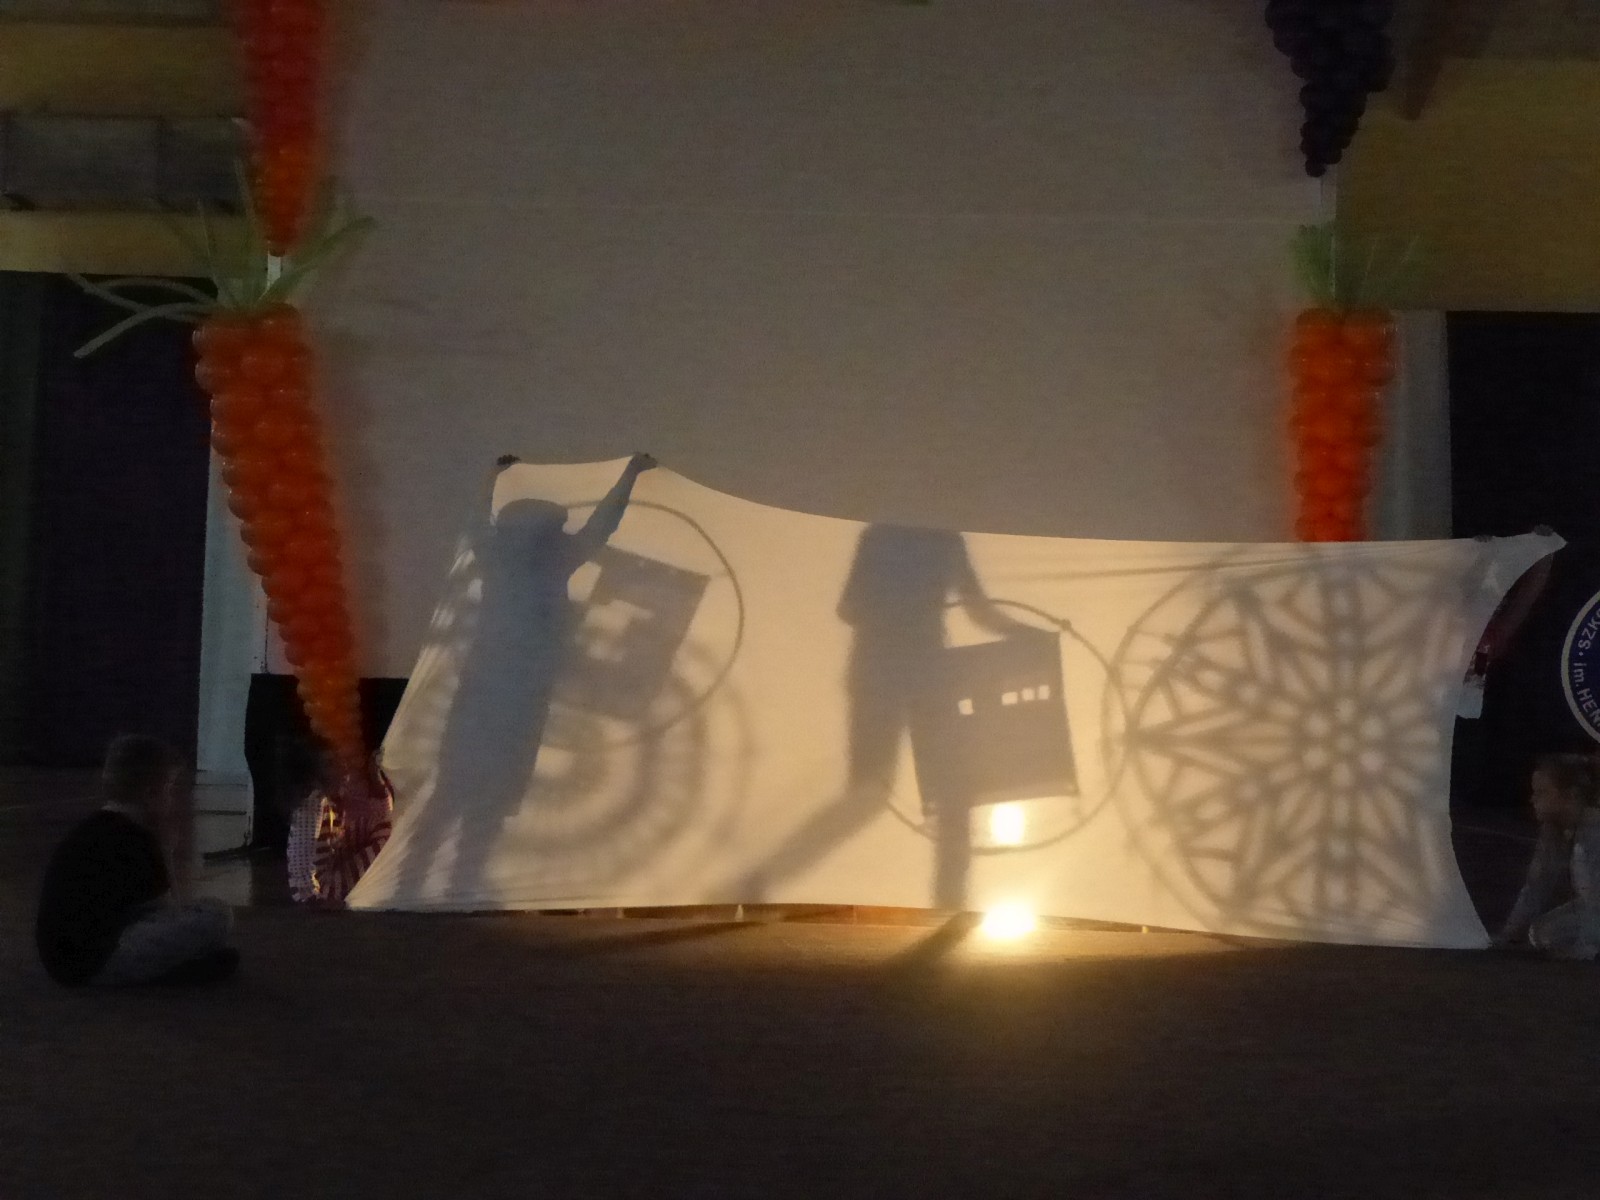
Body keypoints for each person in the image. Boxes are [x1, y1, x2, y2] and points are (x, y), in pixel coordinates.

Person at [35, 735, 239, 986]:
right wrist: (166, 850)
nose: (172, 800)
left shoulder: (90, 829)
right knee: (218, 915)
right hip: (98, 961)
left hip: (62, 961)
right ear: (150, 793)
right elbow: (169, 912)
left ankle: (184, 965)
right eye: (169, 789)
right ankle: (176, 971)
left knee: (197, 915)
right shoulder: (138, 839)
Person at [1493, 751, 1600, 959]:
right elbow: (1536, 886)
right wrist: (1509, 934)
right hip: (1593, 908)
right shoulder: (1554, 831)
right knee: (1541, 933)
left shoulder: (1595, 831)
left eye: (1542, 792)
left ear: (1570, 796)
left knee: (1569, 938)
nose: (1533, 799)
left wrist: (1583, 949)